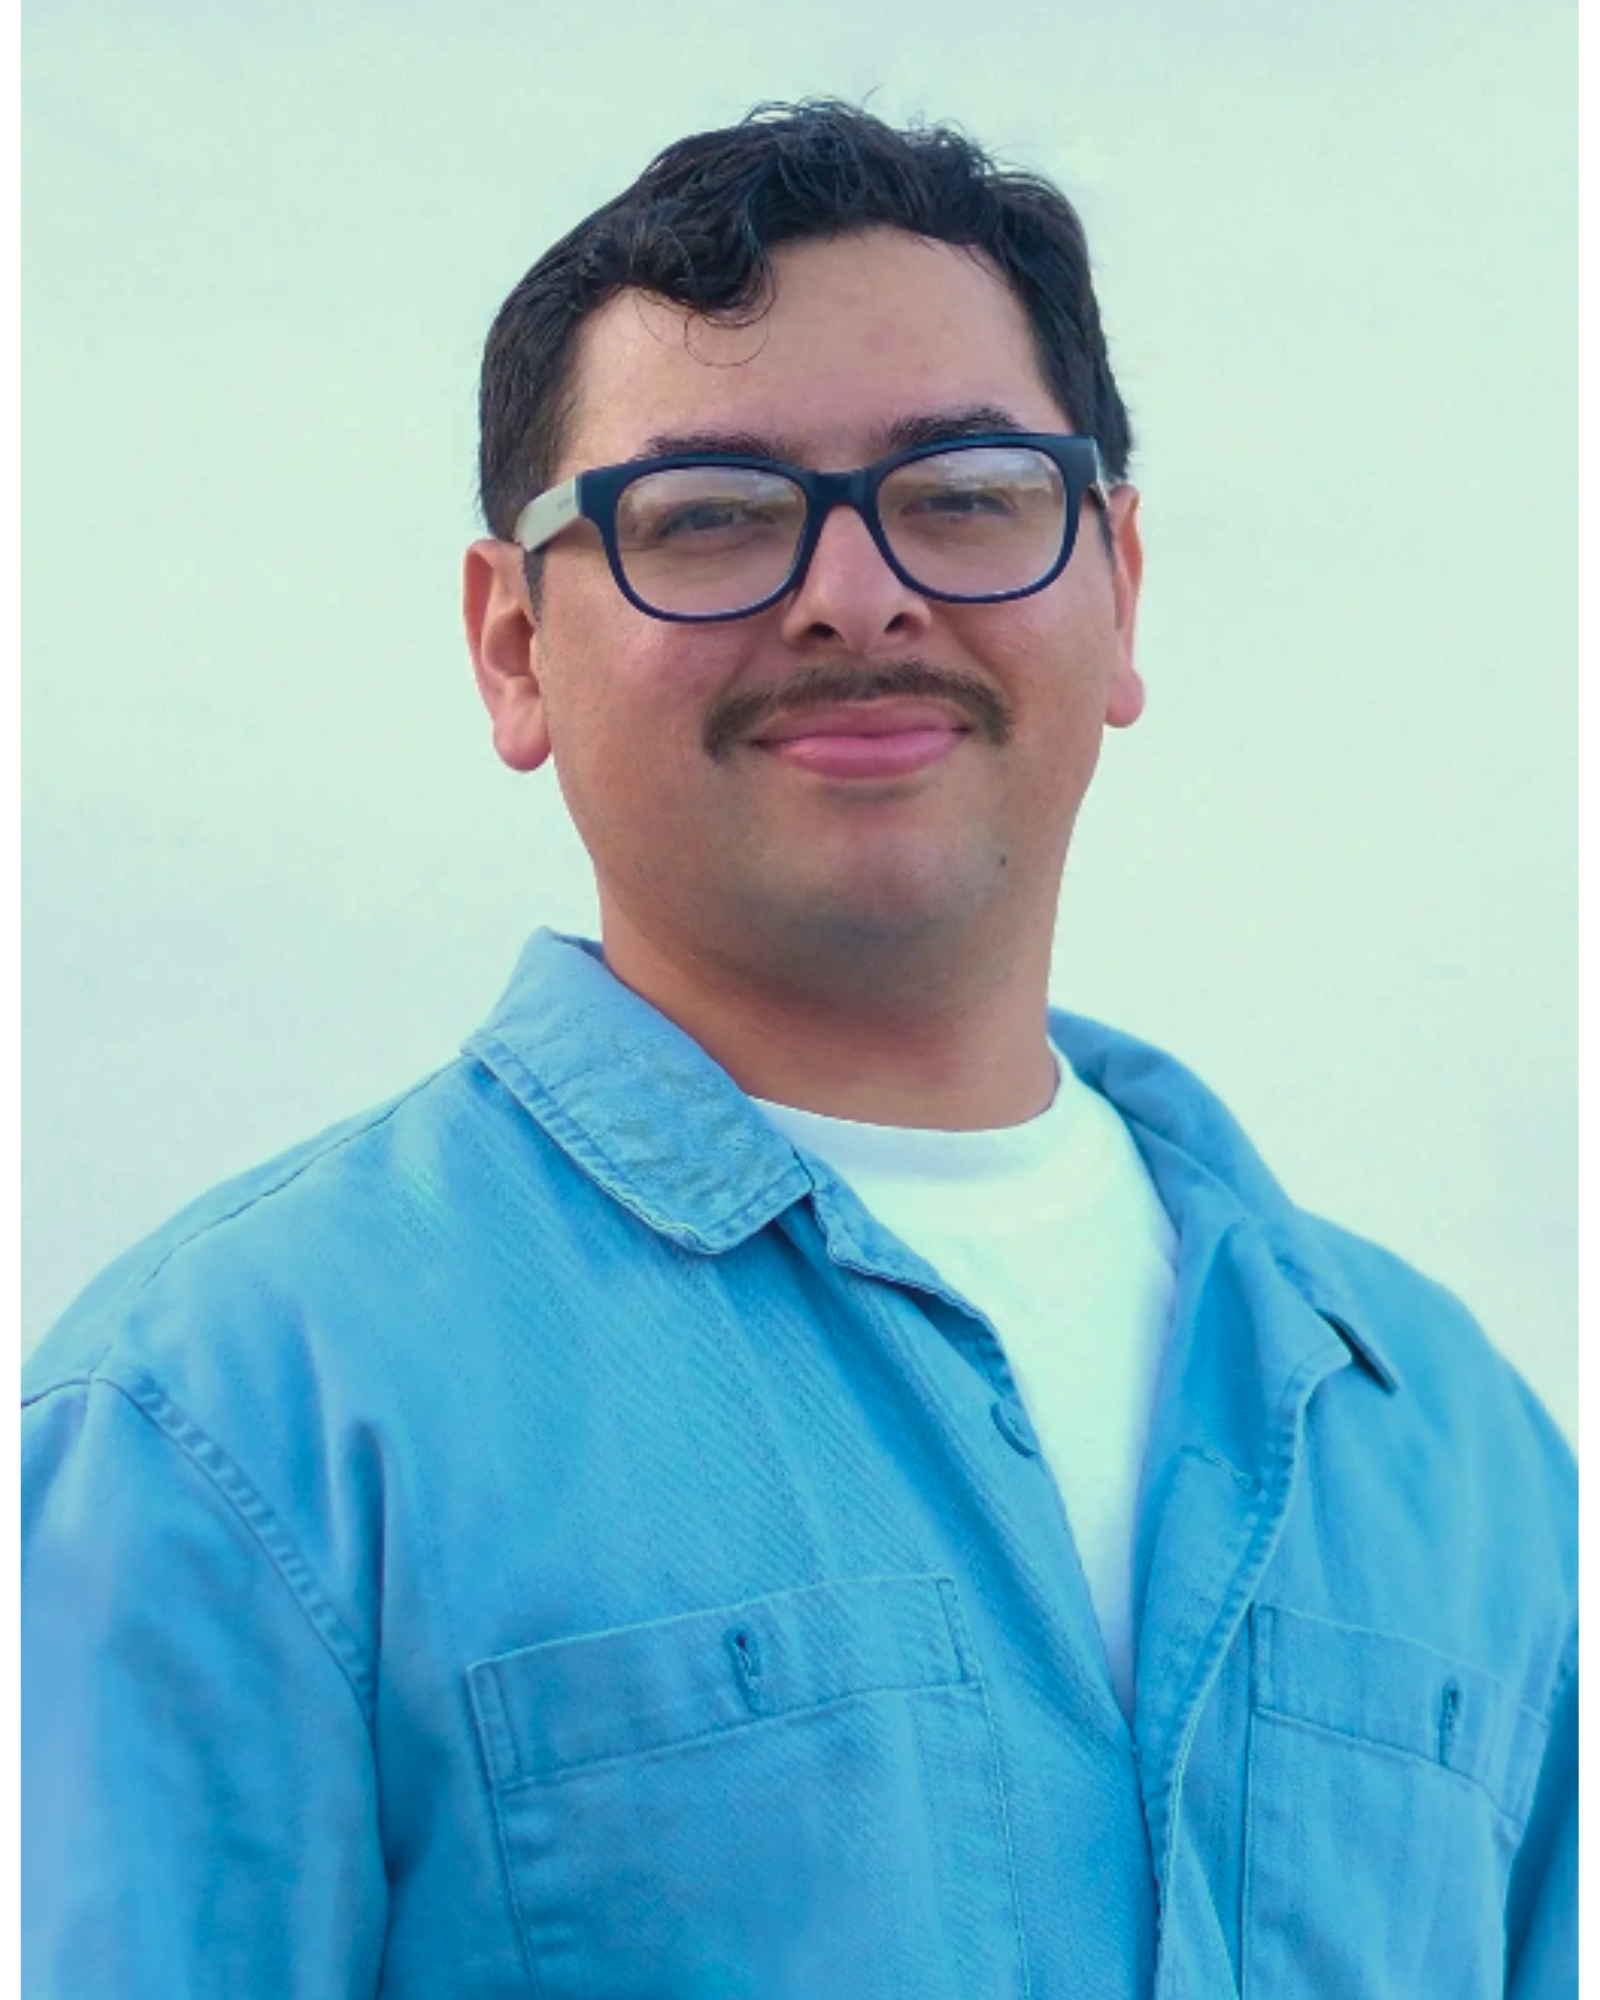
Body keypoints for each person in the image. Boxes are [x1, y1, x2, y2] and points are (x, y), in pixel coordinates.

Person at [20, 101, 1574, 1998]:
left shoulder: (1458, 1455)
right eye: (713, 519)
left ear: (1122, 585)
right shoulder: (227, 1423)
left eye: (970, 492)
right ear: (513, 645)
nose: (858, 590)